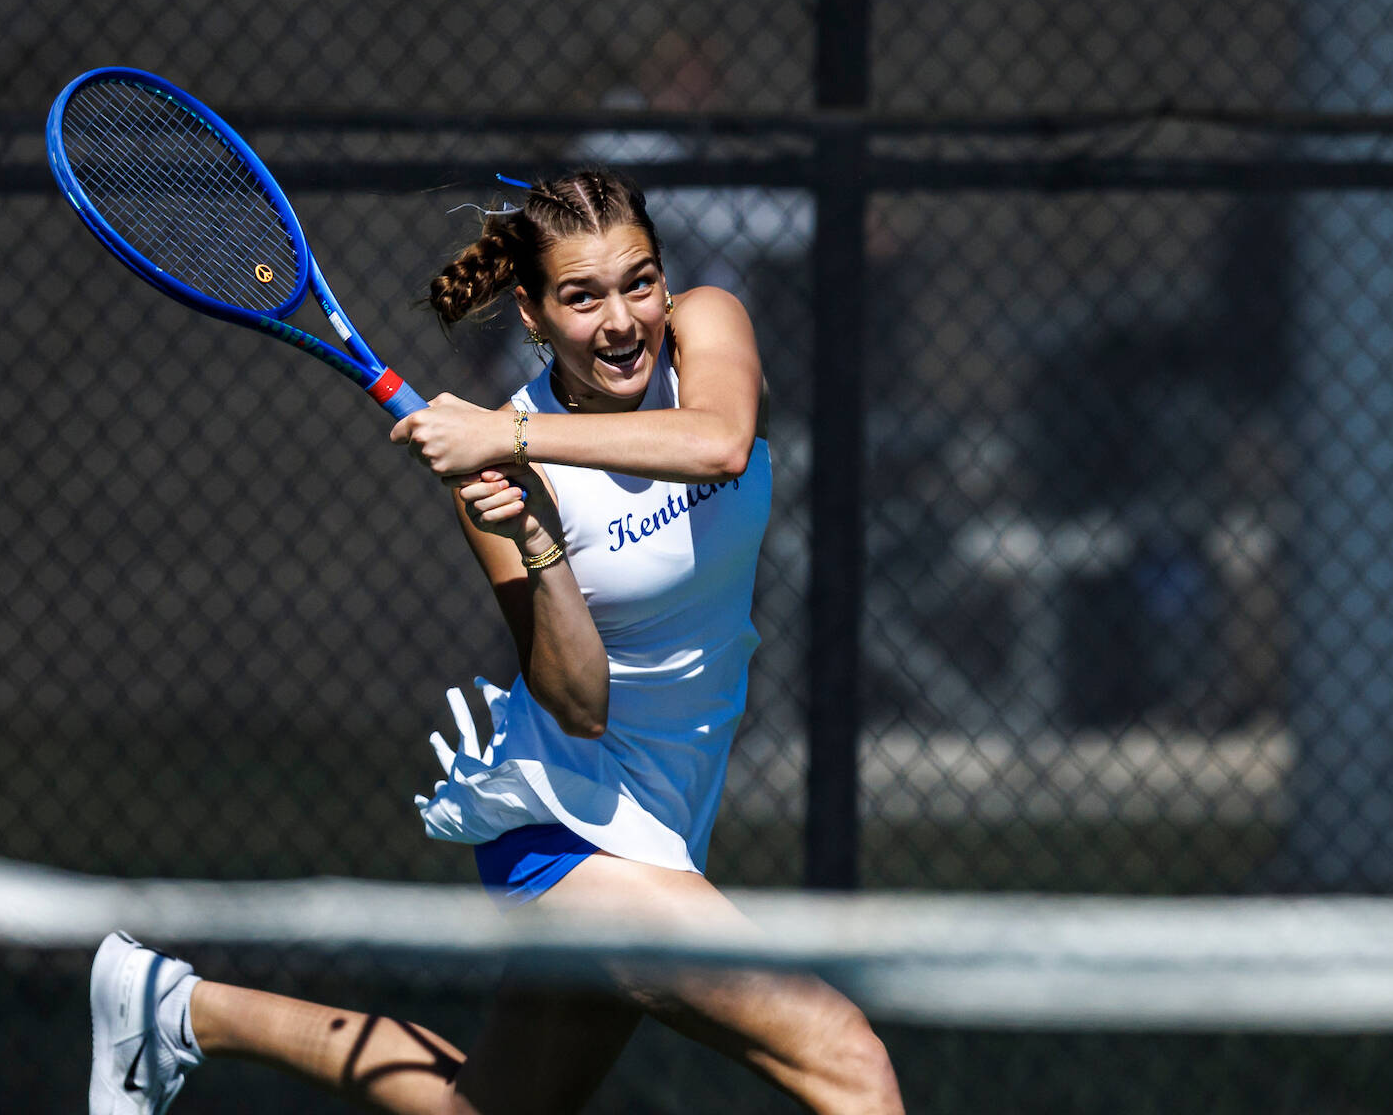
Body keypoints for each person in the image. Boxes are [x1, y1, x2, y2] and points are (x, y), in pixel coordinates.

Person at [85, 170, 902, 1114]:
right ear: (533, 314)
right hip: (570, 822)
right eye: (582, 297)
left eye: (639, 282)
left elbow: (718, 441)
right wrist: (539, 539)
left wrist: (515, 437)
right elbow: (579, 705)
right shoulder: (503, 469)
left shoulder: (702, 330)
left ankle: (176, 1008)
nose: (622, 321)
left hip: (676, 803)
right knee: (847, 1058)